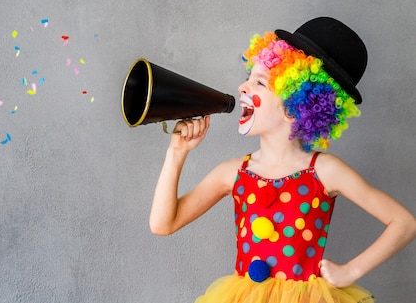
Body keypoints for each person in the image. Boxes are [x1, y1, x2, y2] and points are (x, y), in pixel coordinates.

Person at [149, 17, 416, 303]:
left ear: (295, 106)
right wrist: (176, 153)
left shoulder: (325, 171)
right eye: (249, 76)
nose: (242, 86)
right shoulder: (233, 173)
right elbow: (163, 224)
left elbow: (404, 222)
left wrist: (351, 271)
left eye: (259, 82)